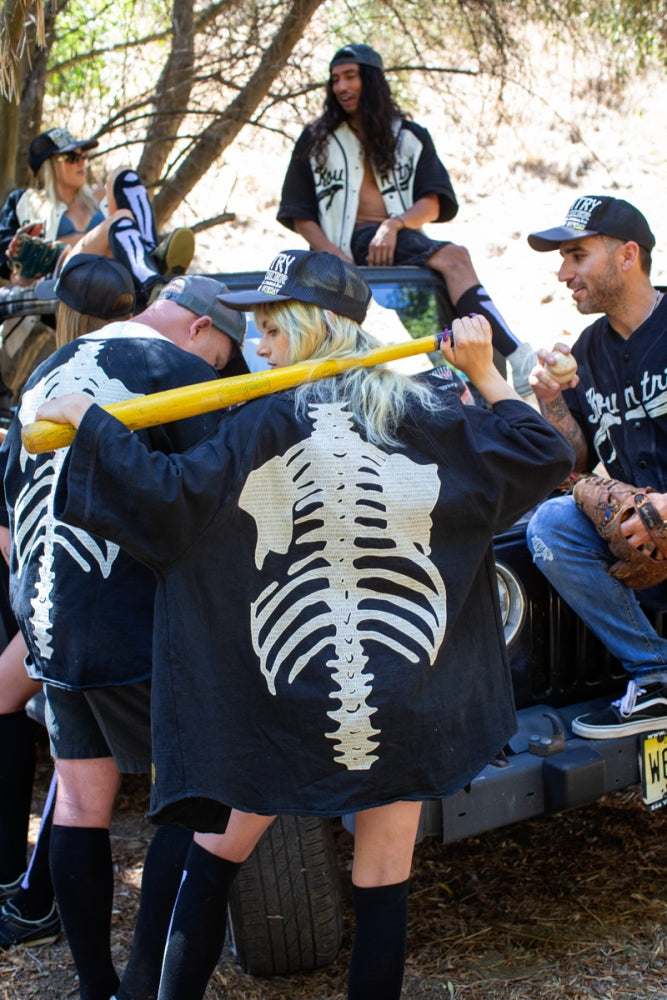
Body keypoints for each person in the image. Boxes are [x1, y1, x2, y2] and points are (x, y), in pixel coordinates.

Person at [36, 249, 574, 999]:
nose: (260, 348)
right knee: (383, 875)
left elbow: (166, 501)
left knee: (213, 859)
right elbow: (539, 451)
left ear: (312, 328)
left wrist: (91, 425)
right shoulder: (425, 415)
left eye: (272, 330)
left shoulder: (259, 423)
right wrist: (486, 374)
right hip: (405, 696)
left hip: (286, 708)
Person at [1, 268, 247, 998]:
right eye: (221, 358)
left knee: (81, 801)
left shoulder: (48, 368)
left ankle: (94, 987)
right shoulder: (173, 372)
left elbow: (11, 503)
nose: (217, 372)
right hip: (131, 612)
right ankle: (142, 988)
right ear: (199, 327)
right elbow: (212, 499)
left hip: (47, 612)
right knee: (188, 797)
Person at [277, 42, 537, 396]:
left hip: (400, 242)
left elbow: (433, 202)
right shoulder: (316, 141)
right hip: (342, 249)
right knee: (454, 260)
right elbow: (299, 213)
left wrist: (393, 224)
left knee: (448, 281)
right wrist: (333, 255)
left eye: (350, 76)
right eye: (335, 79)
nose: (341, 87)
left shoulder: (410, 137)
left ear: (372, 80)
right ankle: (515, 359)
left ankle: (479, 385)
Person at [524, 194, 667, 738]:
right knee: (552, 525)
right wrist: (552, 402)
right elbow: (576, 460)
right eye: (564, 259)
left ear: (628, 255)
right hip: (645, 545)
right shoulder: (587, 351)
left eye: (577, 256)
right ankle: (656, 675)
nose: (564, 274)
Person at [0, 126, 194, 310]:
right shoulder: (26, 202)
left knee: (122, 176)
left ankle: (151, 261)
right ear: (48, 166)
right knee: (120, 220)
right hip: (65, 278)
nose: (81, 162)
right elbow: (9, 262)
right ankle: (151, 280)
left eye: (83, 156)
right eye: (72, 157)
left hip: (116, 272)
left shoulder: (101, 196)